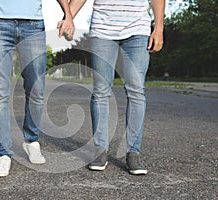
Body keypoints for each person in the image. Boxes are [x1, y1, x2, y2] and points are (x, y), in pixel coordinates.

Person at [0, 0, 74, 177]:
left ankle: (31, 141)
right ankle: (3, 153)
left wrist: (68, 15)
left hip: (32, 24)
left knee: (36, 89)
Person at [66, 0, 165, 174]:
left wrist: (159, 28)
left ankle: (133, 152)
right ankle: (100, 151)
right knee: (101, 91)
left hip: (138, 29)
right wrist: (69, 17)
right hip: (102, 30)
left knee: (136, 90)